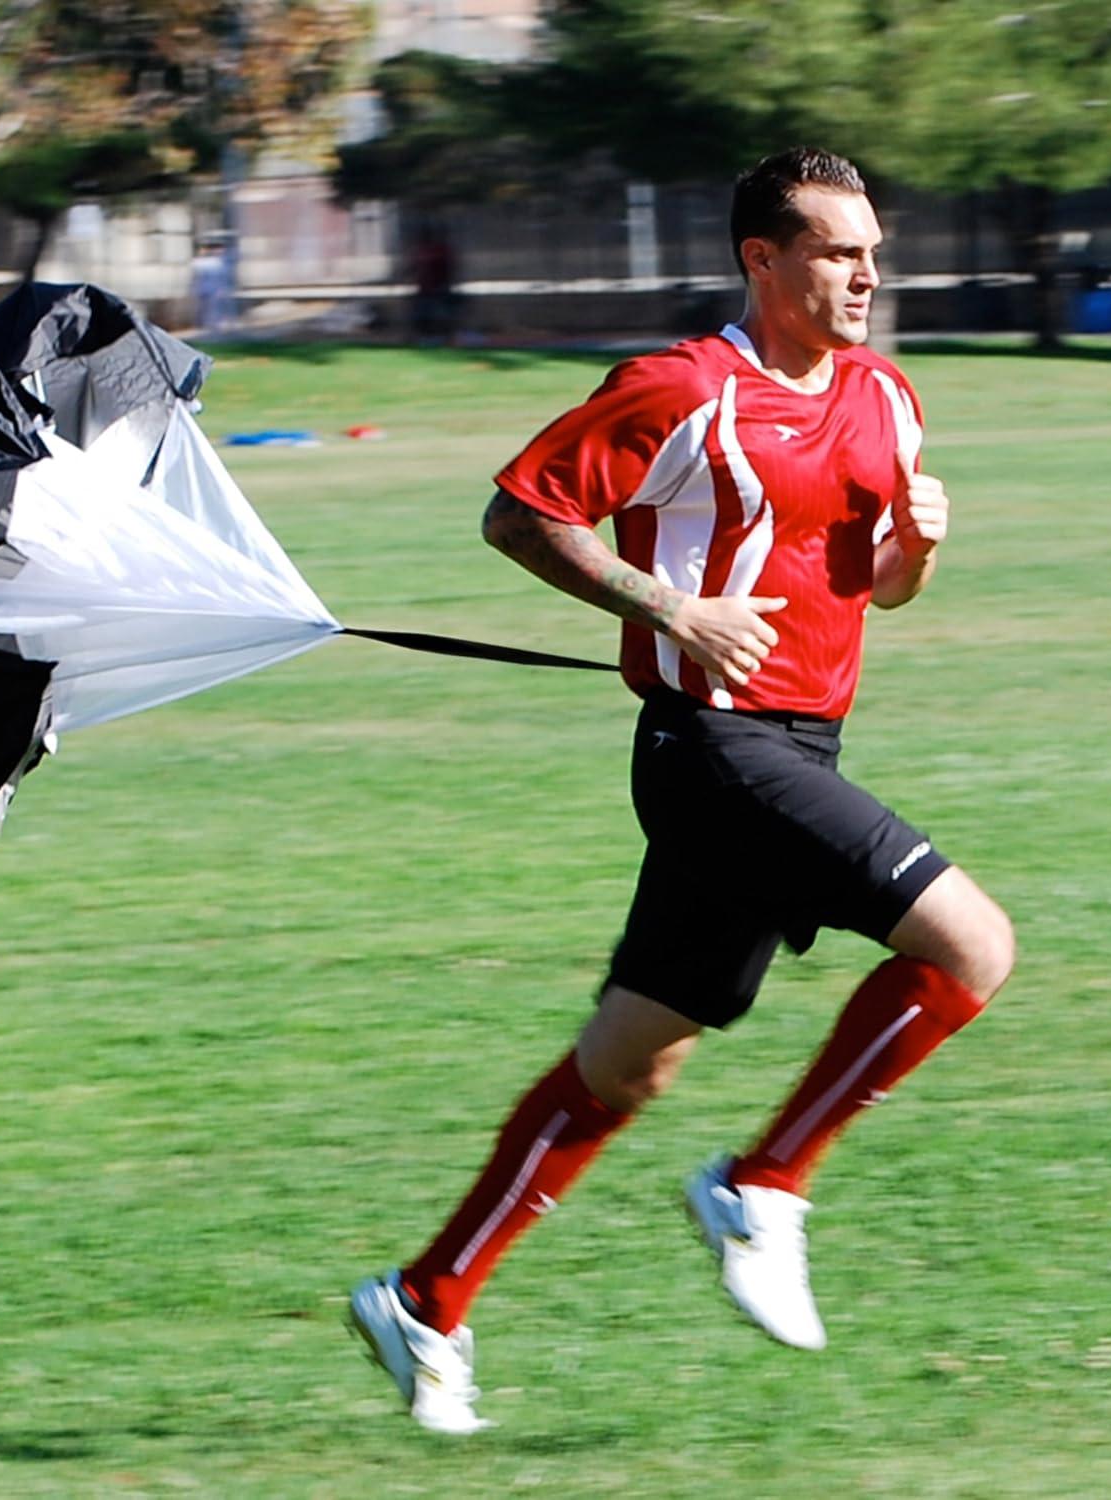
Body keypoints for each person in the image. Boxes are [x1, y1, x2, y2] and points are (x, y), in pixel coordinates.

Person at [348, 147, 1016, 1435]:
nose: (866, 274)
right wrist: (670, 607)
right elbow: (519, 516)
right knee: (972, 946)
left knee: (626, 1068)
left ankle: (427, 1300)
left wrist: (917, 552)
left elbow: (880, 592)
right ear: (764, 259)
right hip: (711, 752)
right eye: (836, 252)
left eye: (873, 251)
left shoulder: (885, 396)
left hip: (803, 749)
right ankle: (767, 1187)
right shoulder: (681, 389)